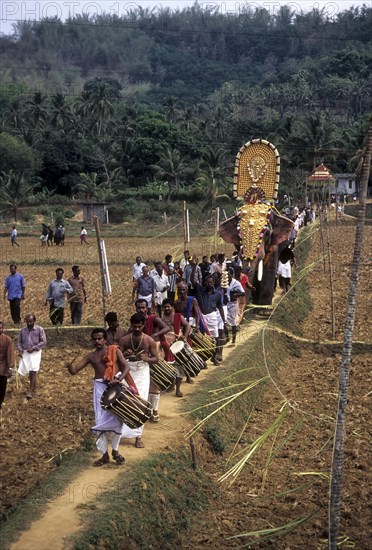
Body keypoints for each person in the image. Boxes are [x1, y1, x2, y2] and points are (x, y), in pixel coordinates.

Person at [65, 328, 130, 466]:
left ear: (105, 339)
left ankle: (116, 451)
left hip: (115, 387)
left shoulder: (114, 350)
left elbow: (126, 368)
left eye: (100, 338)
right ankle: (105, 454)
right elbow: (74, 371)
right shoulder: (91, 356)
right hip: (100, 389)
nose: (97, 341)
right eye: (94, 339)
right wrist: (69, 366)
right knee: (100, 420)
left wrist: (119, 380)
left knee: (117, 419)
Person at [120, 313, 159, 446]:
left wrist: (147, 359)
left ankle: (138, 437)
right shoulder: (124, 340)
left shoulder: (149, 340)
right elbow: (117, 357)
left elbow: (156, 358)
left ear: (143, 325)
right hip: (128, 371)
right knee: (126, 400)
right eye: (134, 326)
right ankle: (121, 433)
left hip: (142, 371)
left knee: (141, 401)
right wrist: (125, 354)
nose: (137, 329)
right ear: (131, 325)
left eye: (139, 326)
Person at [191, 271, 226, 366]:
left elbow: (220, 307)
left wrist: (224, 321)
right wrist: (194, 267)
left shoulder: (218, 294)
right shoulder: (200, 290)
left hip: (212, 316)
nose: (209, 284)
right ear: (205, 282)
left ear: (214, 283)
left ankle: (214, 357)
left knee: (215, 338)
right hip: (202, 317)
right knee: (201, 338)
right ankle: (203, 360)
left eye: (211, 282)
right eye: (208, 282)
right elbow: (192, 280)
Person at [161, 299, 192, 398]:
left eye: (168, 306)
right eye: (164, 307)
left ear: (172, 307)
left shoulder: (178, 317)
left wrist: (185, 336)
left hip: (177, 344)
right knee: (170, 366)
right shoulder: (161, 319)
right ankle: (171, 385)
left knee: (179, 366)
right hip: (166, 345)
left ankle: (178, 389)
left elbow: (187, 326)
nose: (166, 308)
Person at [17, 314, 46, 399]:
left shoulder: (39, 329)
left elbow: (43, 341)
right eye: (28, 321)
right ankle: (34, 390)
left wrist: (33, 348)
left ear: (34, 321)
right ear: (25, 321)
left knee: (33, 370)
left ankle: (30, 391)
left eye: (31, 321)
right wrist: (20, 350)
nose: (29, 323)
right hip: (26, 352)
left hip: (35, 353)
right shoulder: (23, 331)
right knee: (30, 371)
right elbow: (19, 342)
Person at [226, 268, 245, 345]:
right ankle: (227, 337)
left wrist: (236, 295)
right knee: (223, 320)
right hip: (225, 304)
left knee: (233, 322)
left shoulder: (236, 283)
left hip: (233, 304)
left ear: (231, 274)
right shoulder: (224, 282)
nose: (227, 276)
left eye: (228, 274)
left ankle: (233, 339)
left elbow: (243, 293)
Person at [0, 321, 15, 409]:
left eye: (0, 328)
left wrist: (10, 367)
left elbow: (10, 353)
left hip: (2, 368)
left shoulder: (7, 339)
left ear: (3, 328)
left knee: (2, 388)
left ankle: (0, 402)